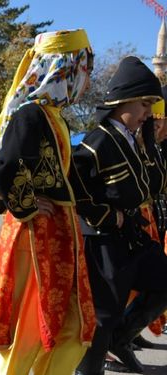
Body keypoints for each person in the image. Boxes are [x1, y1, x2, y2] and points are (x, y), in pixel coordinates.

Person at [0, 29, 96, 375]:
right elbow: (5, 165)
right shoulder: (31, 114)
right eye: (84, 70)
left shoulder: (52, 115)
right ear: (65, 67)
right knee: (26, 327)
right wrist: (27, 205)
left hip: (53, 234)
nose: (86, 80)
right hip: (33, 237)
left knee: (63, 321)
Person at [71, 56, 167, 375]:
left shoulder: (131, 140)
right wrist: (110, 218)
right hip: (103, 241)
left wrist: (151, 146)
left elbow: (151, 188)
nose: (148, 113)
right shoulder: (98, 140)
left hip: (130, 237)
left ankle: (122, 339)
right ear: (122, 100)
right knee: (104, 314)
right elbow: (76, 189)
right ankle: (90, 369)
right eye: (144, 104)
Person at [103, 85, 167, 373]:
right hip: (114, 229)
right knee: (111, 296)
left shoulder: (145, 144)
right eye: (155, 117)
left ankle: (123, 336)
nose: (155, 122)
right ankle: (104, 347)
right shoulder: (111, 140)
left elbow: (155, 184)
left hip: (140, 223)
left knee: (149, 284)